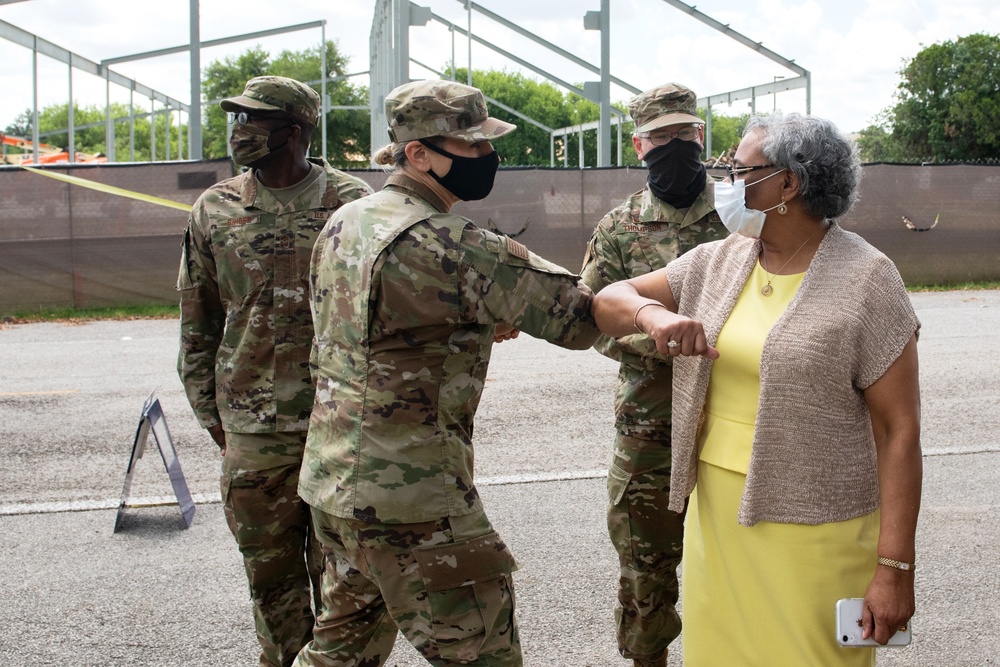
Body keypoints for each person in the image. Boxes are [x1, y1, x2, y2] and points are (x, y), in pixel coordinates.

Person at [593, 112, 921, 665]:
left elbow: (899, 430)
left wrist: (894, 568)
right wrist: (653, 317)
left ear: (787, 184)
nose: (724, 182)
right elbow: (607, 299)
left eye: (739, 169)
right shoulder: (719, 261)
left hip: (815, 526)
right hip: (718, 518)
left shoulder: (868, 277)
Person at [293, 79, 600, 667]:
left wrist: (474, 323)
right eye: (474, 146)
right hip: (415, 502)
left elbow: (375, 328)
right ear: (418, 154)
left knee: (338, 652)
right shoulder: (454, 243)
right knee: (484, 651)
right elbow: (578, 320)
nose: (488, 158)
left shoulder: (345, 221)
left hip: (334, 484)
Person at [176, 76, 373, 667]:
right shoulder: (216, 207)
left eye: (253, 120)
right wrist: (214, 416)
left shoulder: (351, 202)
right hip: (252, 429)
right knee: (271, 580)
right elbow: (197, 317)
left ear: (296, 129)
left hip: (339, 422)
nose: (239, 131)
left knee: (351, 579)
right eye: (236, 119)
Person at [579, 82, 725, 667]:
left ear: (701, 136)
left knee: (746, 559)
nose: (674, 146)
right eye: (661, 137)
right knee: (646, 568)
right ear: (639, 144)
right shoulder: (619, 227)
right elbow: (590, 317)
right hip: (651, 426)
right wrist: (660, 338)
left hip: (736, 415)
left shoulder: (745, 216)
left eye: (684, 134)